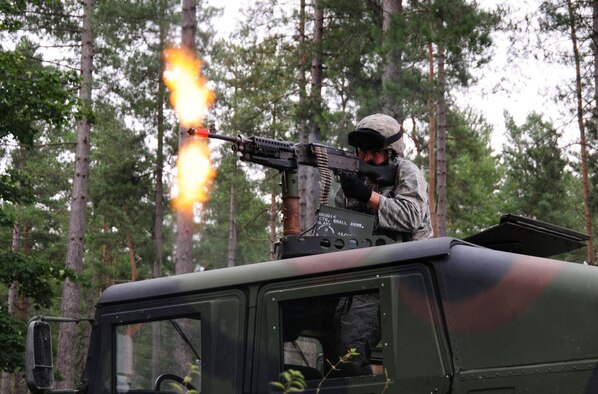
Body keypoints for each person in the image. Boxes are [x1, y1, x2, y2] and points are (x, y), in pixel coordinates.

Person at [329, 113, 432, 377]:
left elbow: (411, 217)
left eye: (373, 153)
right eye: (361, 152)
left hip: (407, 276)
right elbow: (338, 221)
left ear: (391, 152)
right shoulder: (355, 178)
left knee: (416, 364)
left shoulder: (407, 173)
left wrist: (368, 196)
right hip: (365, 276)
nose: (366, 158)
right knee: (343, 359)